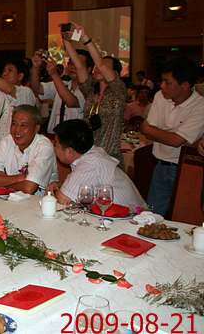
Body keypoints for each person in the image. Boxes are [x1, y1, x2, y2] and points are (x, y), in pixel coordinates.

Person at [141, 58, 204, 216]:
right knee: (152, 217)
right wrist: (170, 135)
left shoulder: (200, 106)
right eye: (162, 81)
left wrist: (153, 130)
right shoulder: (160, 96)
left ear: (185, 85)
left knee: (182, 217)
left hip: (185, 169)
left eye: (167, 82)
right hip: (160, 165)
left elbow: (176, 141)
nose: (162, 86)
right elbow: (146, 129)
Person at [63, 22, 127, 165]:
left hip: (110, 157)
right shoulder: (91, 90)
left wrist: (85, 37)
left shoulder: (119, 91)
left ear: (115, 73)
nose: (97, 68)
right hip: (89, 155)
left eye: (103, 66)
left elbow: (101, 64)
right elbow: (79, 66)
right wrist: (66, 41)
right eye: (96, 66)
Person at [48, 119, 146, 209]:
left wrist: (55, 191)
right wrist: (60, 186)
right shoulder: (93, 153)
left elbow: (63, 201)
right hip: (121, 214)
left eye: (56, 144)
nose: (54, 147)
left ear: (69, 151)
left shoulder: (89, 164)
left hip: (131, 218)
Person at [0, 105, 57, 194]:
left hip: (37, 200)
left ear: (36, 128)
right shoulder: (7, 141)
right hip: (7, 198)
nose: (17, 130)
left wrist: (2, 183)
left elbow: (29, 188)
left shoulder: (44, 146)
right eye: (14, 124)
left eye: (23, 125)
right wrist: (20, 178)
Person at [29, 49, 93, 134]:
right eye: (70, 63)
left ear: (89, 69)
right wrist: (35, 67)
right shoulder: (63, 84)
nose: (72, 67)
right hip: (54, 135)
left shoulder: (90, 90)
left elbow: (71, 102)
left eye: (77, 64)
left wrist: (54, 74)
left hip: (73, 138)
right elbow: (37, 89)